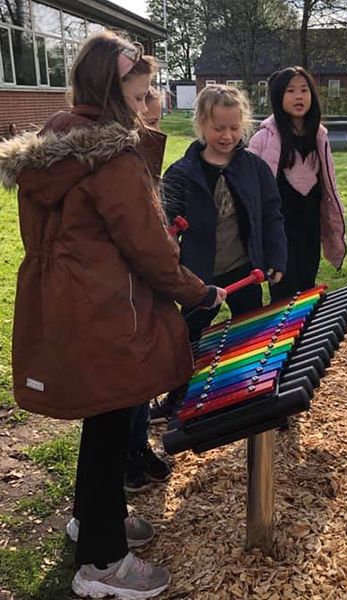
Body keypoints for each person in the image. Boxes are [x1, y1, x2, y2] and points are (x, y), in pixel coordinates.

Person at [0, 31, 226, 599]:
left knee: (101, 419)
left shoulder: (59, 136)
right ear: (113, 86)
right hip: (108, 307)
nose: (147, 98)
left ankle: (91, 516)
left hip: (66, 300)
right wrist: (198, 292)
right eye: (140, 88)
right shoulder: (110, 154)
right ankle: (103, 563)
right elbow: (148, 246)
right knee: (109, 420)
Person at [149, 84, 287, 423]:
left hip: (244, 269)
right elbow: (165, 225)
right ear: (200, 125)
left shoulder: (254, 168)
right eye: (218, 128)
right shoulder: (182, 173)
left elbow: (271, 214)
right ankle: (180, 393)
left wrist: (276, 258)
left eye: (234, 127)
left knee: (253, 334)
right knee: (190, 336)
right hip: (199, 275)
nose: (227, 135)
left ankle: (258, 392)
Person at [248, 66, 347, 302]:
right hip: (278, 232)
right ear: (278, 96)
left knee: (306, 291)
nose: (299, 96)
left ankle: (304, 338)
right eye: (291, 91)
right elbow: (250, 187)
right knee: (283, 295)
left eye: (304, 90)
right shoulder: (263, 139)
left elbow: (329, 185)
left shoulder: (319, 138)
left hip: (310, 228)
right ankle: (281, 338)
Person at [125, 86, 172, 492]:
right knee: (126, 381)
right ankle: (126, 454)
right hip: (123, 290)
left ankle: (138, 444)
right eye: (143, 118)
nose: (149, 127)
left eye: (155, 120)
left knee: (144, 374)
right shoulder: (119, 162)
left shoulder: (146, 157)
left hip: (145, 286)